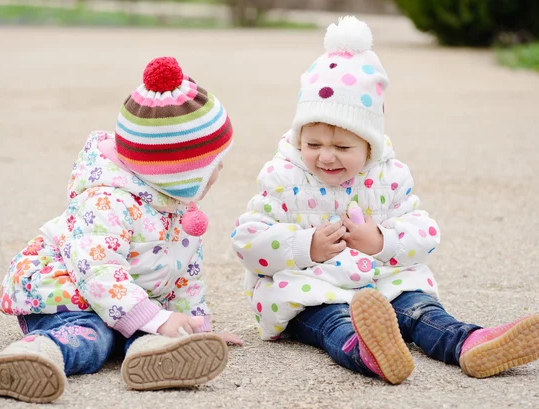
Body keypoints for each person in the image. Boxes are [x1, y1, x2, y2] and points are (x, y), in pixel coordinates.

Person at [231, 16, 539, 385]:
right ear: (299, 139)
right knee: (334, 322)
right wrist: (305, 245)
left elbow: (425, 233)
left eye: (343, 147)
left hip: (384, 285)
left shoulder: (388, 177)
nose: (326, 157)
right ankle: (369, 352)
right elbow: (247, 240)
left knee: (421, 311)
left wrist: (381, 241)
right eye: (313, 144)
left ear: (370, 146)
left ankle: (469, 342)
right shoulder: (283, 177)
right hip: (309, 289)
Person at [0, 56, 241, 403]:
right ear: (177, 173)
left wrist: (195, 326)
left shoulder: (176, 208)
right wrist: (154, 317)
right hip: (67, 293)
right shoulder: (107, 203)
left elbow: (185, 276)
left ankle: (159, 353)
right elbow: (99, 272)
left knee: (147, 328)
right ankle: (35, 354)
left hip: (120, 297)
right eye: (212, 166)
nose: (220, 172)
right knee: (93, 337)